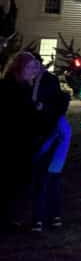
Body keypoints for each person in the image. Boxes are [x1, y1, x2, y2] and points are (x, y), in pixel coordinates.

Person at [11, 51, 71, 230]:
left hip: (49, 136)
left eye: (35, 65)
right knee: (43, 177)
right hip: (37, 136)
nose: (34, 69)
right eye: (30, 66)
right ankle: (44, 216)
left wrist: (42, 108)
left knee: (46, 177)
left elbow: (58, 105)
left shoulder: (46, 81)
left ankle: (44, 217)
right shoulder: (23, 85)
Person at [0, 52, 37, 231]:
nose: (33, 71)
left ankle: (12, 217)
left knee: (17, 182)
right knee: (10, 180)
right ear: (19, 68)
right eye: (30, 67)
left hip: (22, 141)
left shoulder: (24, 87)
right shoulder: (10, 88)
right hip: (11, 142)